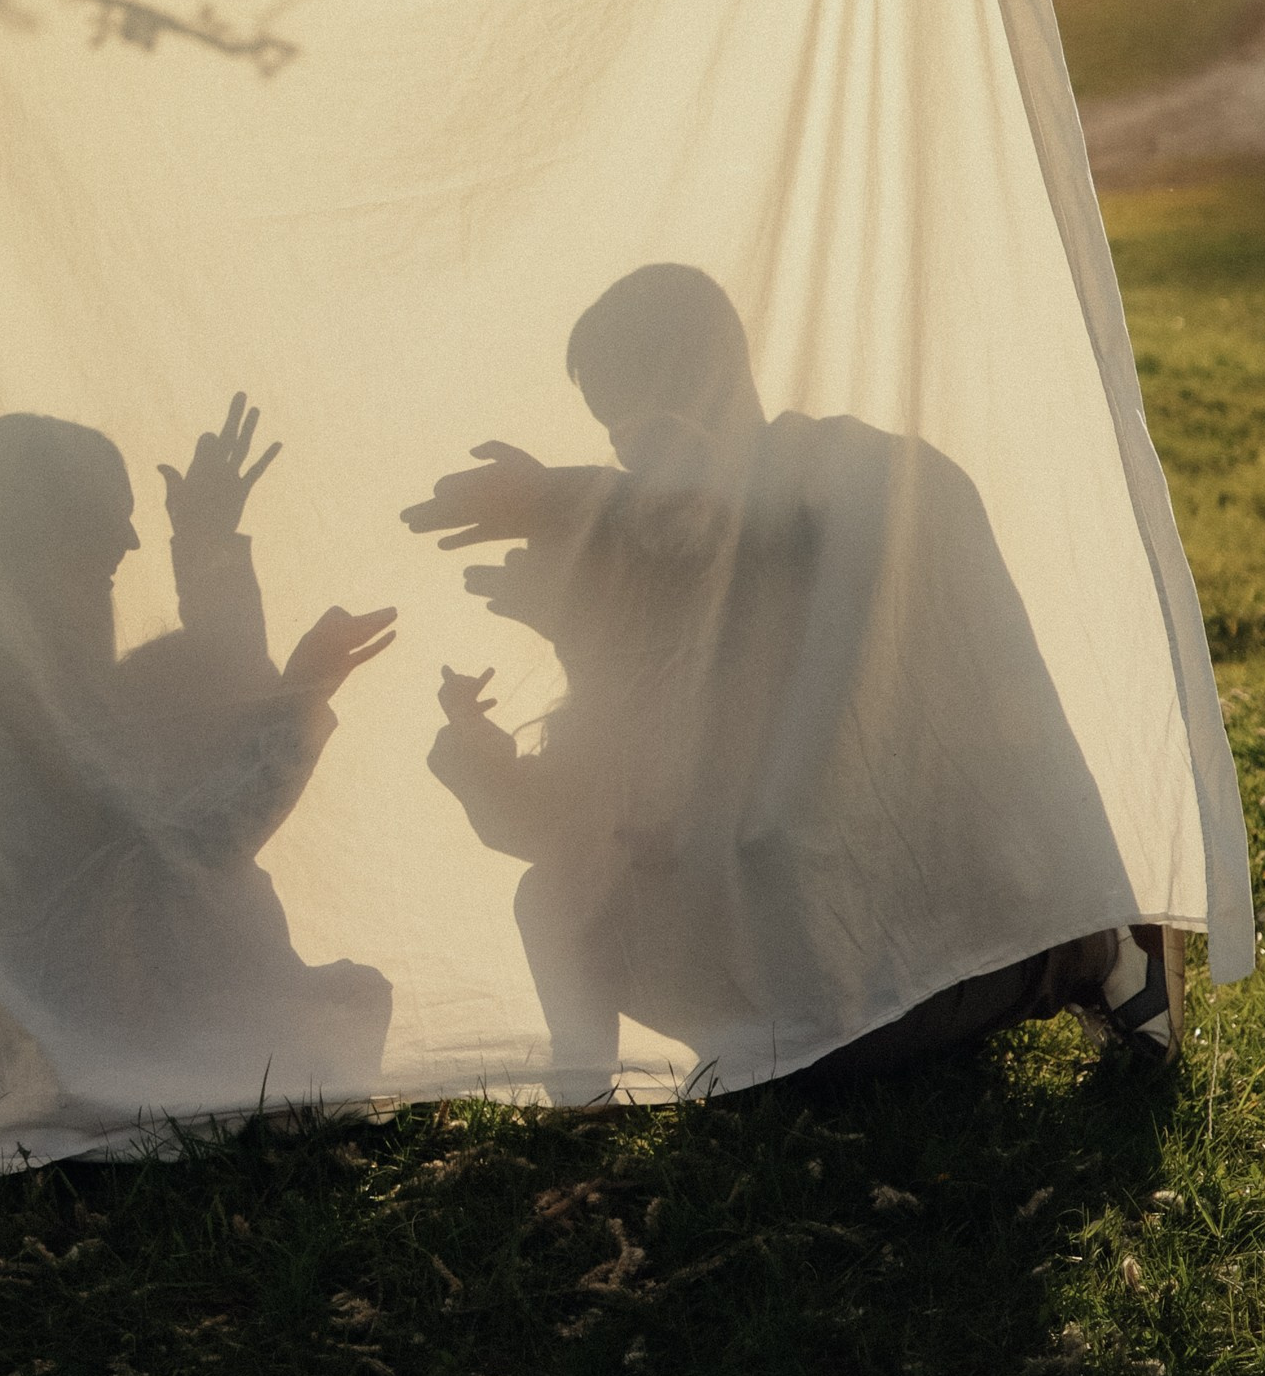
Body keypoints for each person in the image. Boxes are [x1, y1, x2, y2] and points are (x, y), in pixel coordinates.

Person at [406, 264, 1183, 1096]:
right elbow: (601, 785)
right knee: (563, 898)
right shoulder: (655, 549)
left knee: (790, 938)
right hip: (771, 920)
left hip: (919, 892)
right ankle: (592, 1101)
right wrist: (497, 748)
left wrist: (565, 499)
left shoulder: (864, 477)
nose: (631, 451)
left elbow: (767, 535)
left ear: (718, 378)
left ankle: (1081, 947)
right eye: (613, 431)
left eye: (646, 417)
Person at [0, 393, 394, 1147]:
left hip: (56, 1080)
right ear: (19, 557)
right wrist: (302, 696)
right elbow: (187, 851)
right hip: (28, 1110)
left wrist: (212, 546)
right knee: (309, 1033)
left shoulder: (6, 692)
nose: (128, 547)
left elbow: (209, 715)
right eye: (103, 560)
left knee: (321, 1020)